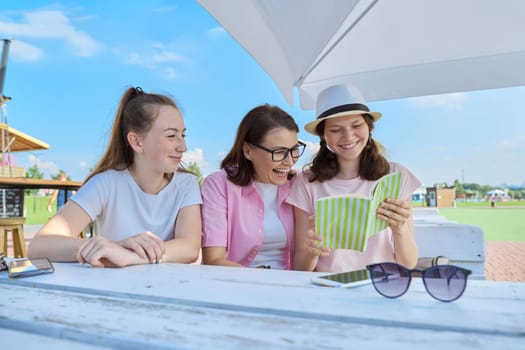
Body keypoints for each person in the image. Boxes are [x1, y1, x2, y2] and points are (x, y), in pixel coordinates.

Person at [28, 87, 202, 267]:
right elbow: (39, 246)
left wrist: (129, 256)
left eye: (183, 135)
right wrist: (111, 247)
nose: (183, 146)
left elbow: (189, 247)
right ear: (137, 142)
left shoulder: (186, 184)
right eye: (172, 136)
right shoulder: (106, 183)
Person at [286, 85, 420, 272]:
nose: (348, 136)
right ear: (324, 136)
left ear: (369, 127)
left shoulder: (396, 176)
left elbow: (409, 263)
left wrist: (399, 229)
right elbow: (301, 267)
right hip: (328, 288)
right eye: (335, 130)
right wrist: (312, 250)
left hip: (381, 286)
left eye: (356, 125)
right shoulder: (306, 183)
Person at [201, 104, 305, 269]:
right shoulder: (218, 185)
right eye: (278, 152)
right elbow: (214, 260)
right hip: (236, 285)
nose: (289, 161)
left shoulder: (299, 183)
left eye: (294, 150)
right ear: (248, 151)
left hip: (289, 284)